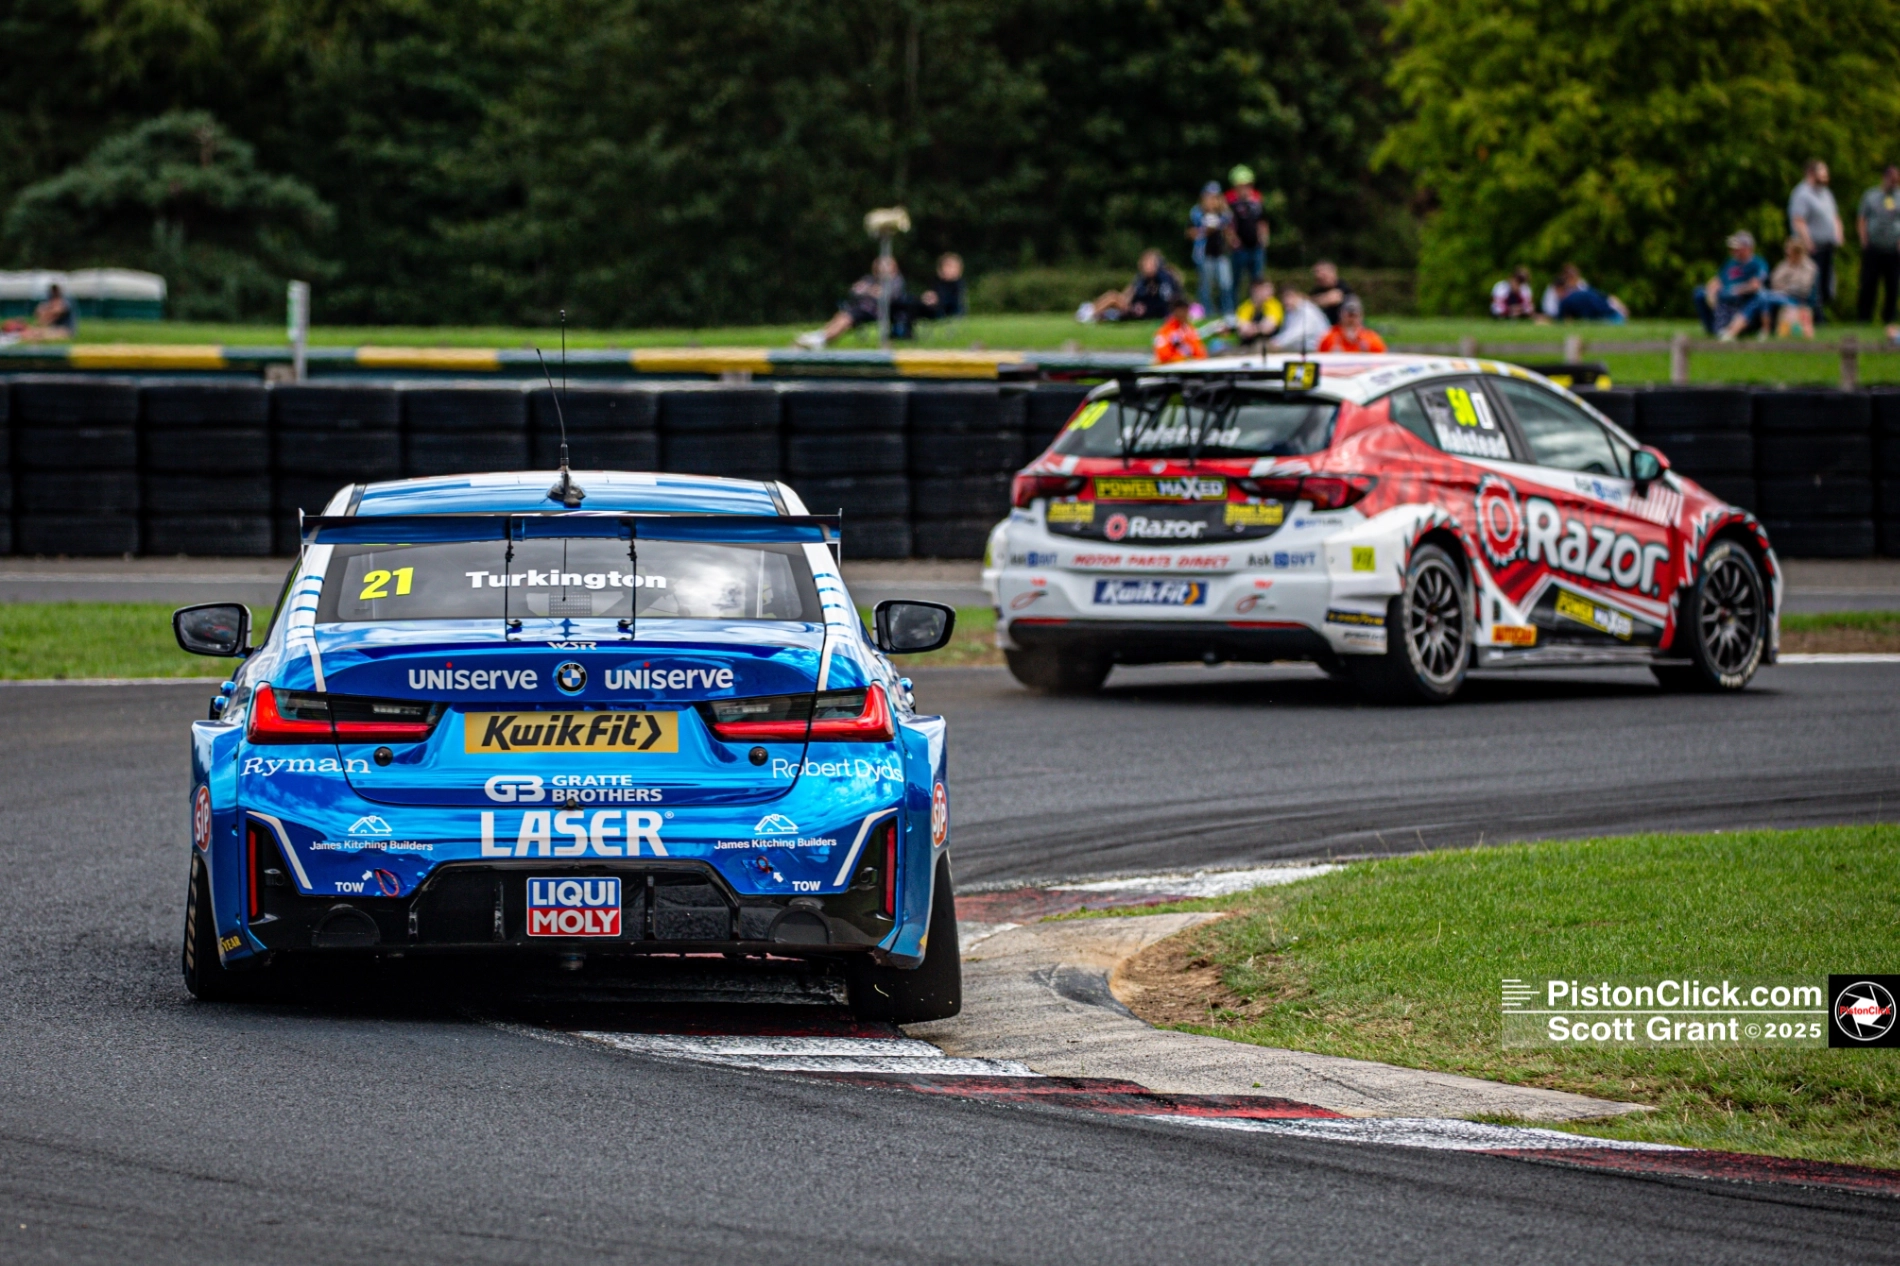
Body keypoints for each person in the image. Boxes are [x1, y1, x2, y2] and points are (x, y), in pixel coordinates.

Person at [796, 255, 905, 349]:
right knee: (841, 315)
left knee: (846, 319)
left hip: (876, 311)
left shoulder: (896, 281)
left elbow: (889, 296)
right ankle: (820, 337)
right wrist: (871, 291)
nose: (882, 268)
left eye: (886, 265)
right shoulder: (870, 278)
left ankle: (820, 339)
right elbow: (855, 290)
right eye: (880, 265)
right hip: (860, 307)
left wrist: (869, 291)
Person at [1788, 159, 1842, 322]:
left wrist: (1838, 234)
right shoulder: (1802, 194)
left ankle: (1819, 316)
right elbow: (1798, 220)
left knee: (1826, 285)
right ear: (1811, 173)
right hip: (1811, 247)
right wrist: (1808, 241)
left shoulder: (1825, 193)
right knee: (1812, 285)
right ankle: (1815, 319)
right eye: (1822, 172)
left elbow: (1834, 216)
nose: (1826, 175)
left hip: (1827, 245)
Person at [1693, 232, 1769, 335]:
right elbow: (1717, 280)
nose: (1733, 251)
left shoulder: (1758, 263)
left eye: (1737, 248)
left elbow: (1755, 285)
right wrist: (1711, 291)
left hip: (1742, 297)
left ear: (1748, 248)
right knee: (1700, 293)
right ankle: (1712, 328)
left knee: (1757, 298)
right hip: (1724, 295)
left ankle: (1734, 328)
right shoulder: (1730, 262)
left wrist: (1737, 290)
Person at [1080, 249, 1185, 323]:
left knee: (1113, 297)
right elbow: (1130, 293)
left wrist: (1143, 308)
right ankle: (1092, 310)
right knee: (1114, 297)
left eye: (1148, 263)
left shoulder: (1163, 279)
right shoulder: (1142, 279)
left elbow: (1165, 301)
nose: (1144, 266)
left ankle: (1090, 312)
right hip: (1137, 308)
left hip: (1145, 311)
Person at [1858, 165, 1900, 326]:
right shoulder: (1871, 195)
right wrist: (1864, 240)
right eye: (1892, 180)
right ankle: (1864, 318)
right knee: (1868, 284)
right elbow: (1862, 218)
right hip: (1873, 247)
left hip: (1893, 248)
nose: (1894, 184)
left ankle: (1889, 319)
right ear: (1884, 178)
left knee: (1892, 286)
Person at [1186, 182, 1235, 317]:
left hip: (1221, 254)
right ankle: (1207, 313)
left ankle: (1228, 313)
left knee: (1225, 285)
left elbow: (1230, 231)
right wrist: (1206, 231)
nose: (1212, 200)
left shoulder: (1224, 213)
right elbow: (1190, 233)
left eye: (1215, 197)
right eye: (1209, 196)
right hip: (1204, 255)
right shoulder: (1196, 213)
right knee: (1206, 287)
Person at [1225, 165, 1269, 294]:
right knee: (1235, 280)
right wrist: (1232, 240)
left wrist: (1264, 238)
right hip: (1239, 248)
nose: (1246, 189)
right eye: (1242, 186)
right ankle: (1233, 305)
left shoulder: (1257, 202)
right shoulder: (1230, 203)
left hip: (1256, 247)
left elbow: (1263, 221)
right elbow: (1227, 224)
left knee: (1257, 280)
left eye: (1248, 185)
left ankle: (1255, 304)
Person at [1551, 263, 1628, 322]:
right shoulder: (1578, 292)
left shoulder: (1580, 290)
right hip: (1608, 314)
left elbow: (1559, 320)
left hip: (1606, 316)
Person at [905, 252, 965, 322]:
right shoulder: (937, 281)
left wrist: (937, 300)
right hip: (935, 308)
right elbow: (934, 294)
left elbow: (954, 302)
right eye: (946, 266)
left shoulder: (958, 284)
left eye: (951, 267)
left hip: (948, 310)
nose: (948, 270)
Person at [1267, 287, 1331, 352]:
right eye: (1283, 298)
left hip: (1320, 351)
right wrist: (1275, 342)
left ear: (1298, 295)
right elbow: (1286, 331)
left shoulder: (1308, 311)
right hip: (1304, 351)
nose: (1286, 301)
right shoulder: (1290, 312)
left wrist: (1277, 342)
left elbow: (1297, 332)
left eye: (1289, 297)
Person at [1317, 297, 1386, 352]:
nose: (1351, 320)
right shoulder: (1329, 338)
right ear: (1340, 315)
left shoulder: (1372, 339)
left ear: (1361, 316)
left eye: (1354, 315)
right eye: (1349, 315)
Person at [1152, 295, 1207, 363]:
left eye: (1185, 311)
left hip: (1191, 365)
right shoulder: (1164, 332)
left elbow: (1200, 352)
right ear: (1174, 312)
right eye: (1181, 311)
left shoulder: (1189, 330)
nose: (1184, 314)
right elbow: (1163, 355)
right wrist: (1182, 358)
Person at [1233, 278, 1283, 346]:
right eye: (1266, 289)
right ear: (1256, 290)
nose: (1271, 291)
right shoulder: (1246, 306)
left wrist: (1253, 329)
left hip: (1270, 342)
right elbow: (1242, 328)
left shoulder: (1274, 305)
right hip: (1249, 342)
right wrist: (1257, 328)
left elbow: (1268, 327)